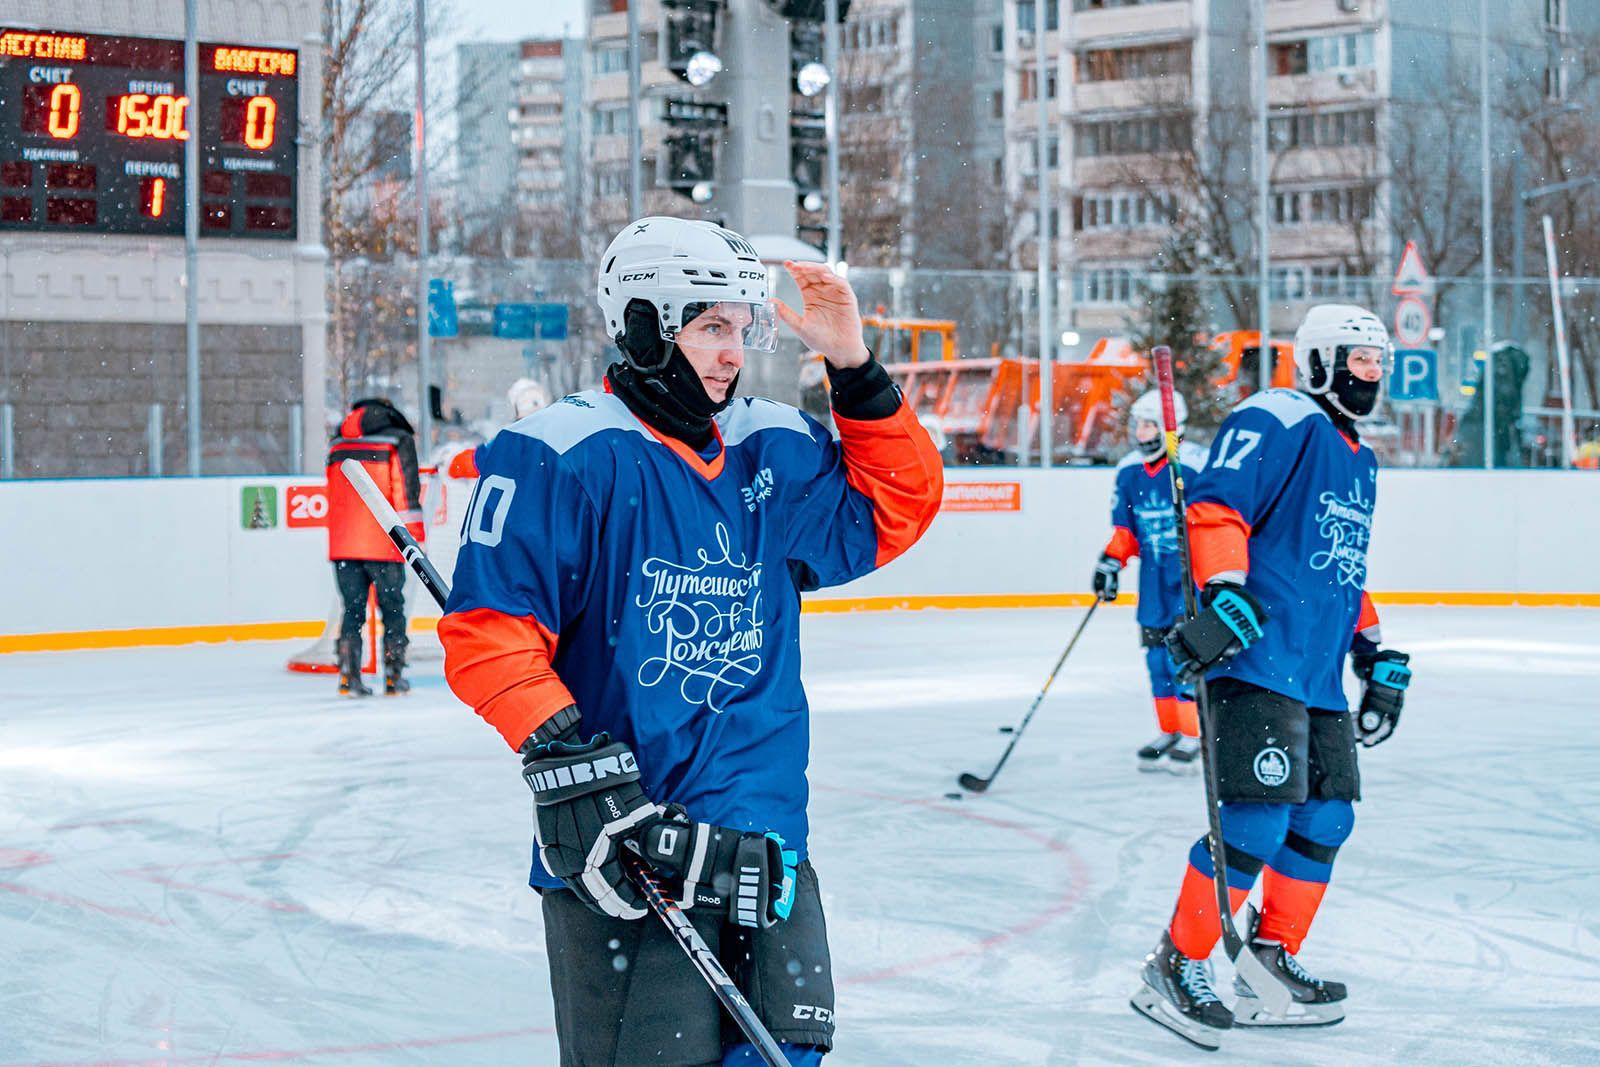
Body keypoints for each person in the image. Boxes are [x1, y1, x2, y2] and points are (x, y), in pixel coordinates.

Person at [437, 217, 943, 1066]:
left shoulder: (768, 446)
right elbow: (490, 631)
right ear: (643, 324)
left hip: (768, 836)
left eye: (742, 331)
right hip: (629, 844)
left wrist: (854, 369)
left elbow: (891, 512)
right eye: (712, 327)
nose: (732, 353)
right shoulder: (558, 452)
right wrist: (563, 751)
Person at [1130, 305, 1414, 1048]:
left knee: (1326, 817)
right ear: (1321, 361)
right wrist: (1225, 588)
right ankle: (1177, 962)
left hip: (1316, 673)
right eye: (1361, 361)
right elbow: (1219, 508)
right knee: (1255, 819)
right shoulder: (1279, 415)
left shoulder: (1358, 455)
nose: (1373, 376)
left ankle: (1267, 961)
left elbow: (1342, 565)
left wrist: (1373, 647)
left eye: (1381, 363)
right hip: (1256, 657)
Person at [1093, 390, 1208, 773]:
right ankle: (1170, 729)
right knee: (1157, 660)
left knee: (1183, 661)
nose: (1140, 432)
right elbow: (1125, 531)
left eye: (1149, 425)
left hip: (1190, 585)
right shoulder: (1129, 471)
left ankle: (1195, 733)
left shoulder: (1193, 466)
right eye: (1138, 424)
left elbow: (1213, 527)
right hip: (1154, 583)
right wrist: (1110, 562)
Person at [325, 397, 425, 697]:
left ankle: (348, 676)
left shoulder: (337, 444)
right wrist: (414, 536)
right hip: (384, 541)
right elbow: (406, 490)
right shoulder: (397, 440)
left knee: (352, 611)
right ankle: (394, 677)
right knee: (392, 610)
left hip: (344, 544)